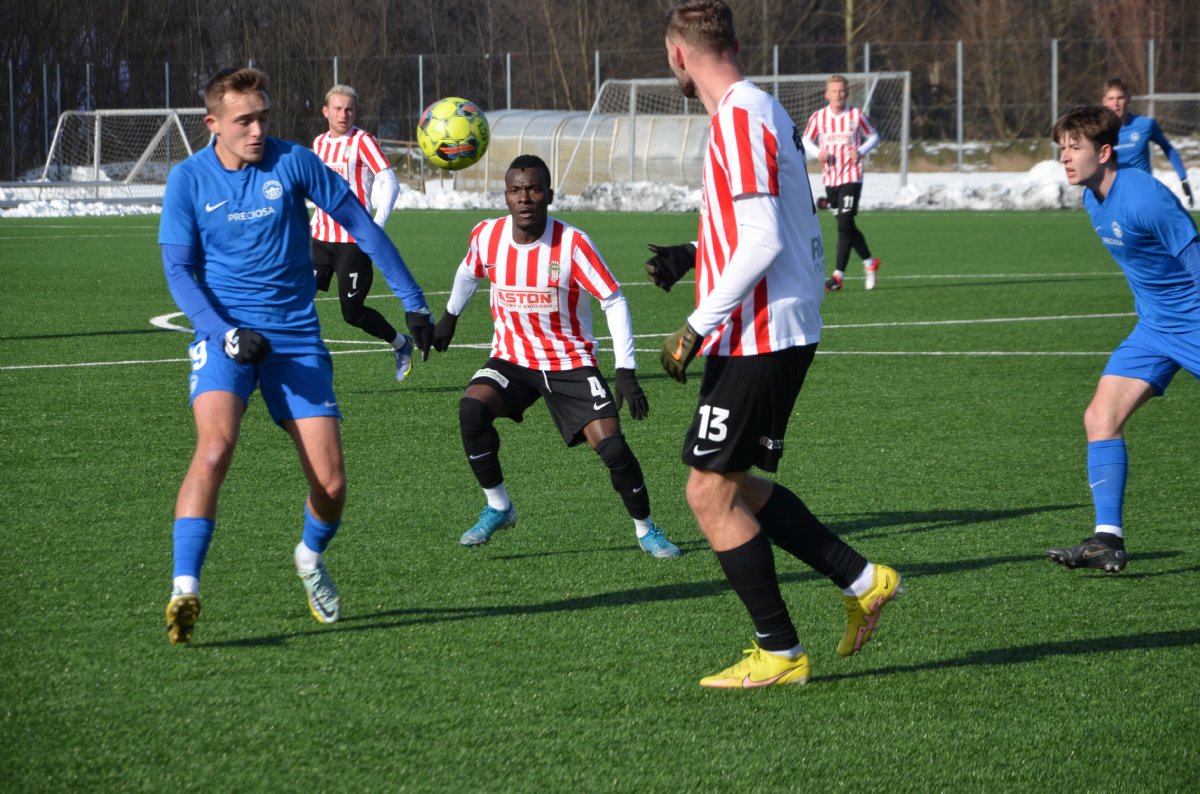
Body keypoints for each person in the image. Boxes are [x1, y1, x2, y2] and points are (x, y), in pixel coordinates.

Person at [659, 0, 900, 689]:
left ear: (679, 56)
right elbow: (776, 224)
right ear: (734, 42)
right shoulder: (760, 110)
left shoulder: (739, 117)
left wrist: (695, 326)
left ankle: (780, 651)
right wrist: (693, 253)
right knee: (731, 484)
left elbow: (763, 240)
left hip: (760, 332)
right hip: (769, 327)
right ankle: (861, 579)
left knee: (707, 492)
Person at [158, 67, 435, 645]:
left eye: (263, 117)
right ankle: (184, 589)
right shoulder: (188, 181)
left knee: (331, 486)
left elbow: (361, 223)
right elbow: (178, 271)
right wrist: (222, 331)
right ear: (213, 124)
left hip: (296, 339)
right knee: (214, 449)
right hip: (224, 338)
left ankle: (309, 559)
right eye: (244, 121)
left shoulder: (294, 162)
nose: (257, 130)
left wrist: (413, 302)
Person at [430, 153, 681, 559]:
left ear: (548, 195)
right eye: (515, 190)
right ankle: (498, 507)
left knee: (613, 449)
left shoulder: (573, 244)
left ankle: (646, 529)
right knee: (471, 410)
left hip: (569, 362)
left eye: (533, 189)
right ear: (506, 197)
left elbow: (613, 300)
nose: (524, 198)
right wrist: (449, 317)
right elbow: (467, 272)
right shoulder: (487, 236)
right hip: (512, 359)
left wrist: (625, 371)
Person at [1046, 105, 1200, 573]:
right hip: (1154, 329)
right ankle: (1106, 540)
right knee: (1100, 416)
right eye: (1061, 149)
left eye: (1076, 148)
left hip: (1193, 323)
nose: (1065, 158)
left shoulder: (1145, 198)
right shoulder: (1092, 197)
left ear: (1106, 151)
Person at [310, 84, 417, 380]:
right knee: (296, 295)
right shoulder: (318, 143)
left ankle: (400, 343)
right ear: (325, 111)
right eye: (338, 108)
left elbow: (389, 181)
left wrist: (375, 227)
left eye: (349, 109)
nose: (344, 114)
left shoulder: (363, 141)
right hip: (319, 238)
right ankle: (275, 362)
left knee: (352, 313)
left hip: (352, 243)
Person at [802, 74, 882, 291]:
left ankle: (838, 276)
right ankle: (869, 262)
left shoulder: (856, 116)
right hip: (830, 178)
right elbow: (805, 140)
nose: (838, 94)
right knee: (846, 225)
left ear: (847, 93)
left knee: (845, 224)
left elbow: (874, 136)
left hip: (852, 176)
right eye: (834, 91)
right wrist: (819, 152)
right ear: (827, 94)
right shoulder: (818, 117)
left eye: (842, 91)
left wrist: (862, 150)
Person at [1102, 78, 1194, 208]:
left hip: (1144, 194)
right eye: (1111, 99)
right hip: (1115, 194)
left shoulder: (1145, 125)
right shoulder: (1100, 131)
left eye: (1120, 98)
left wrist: (1183, 177)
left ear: (1129, 99)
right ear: (1104, 101)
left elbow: (1167, 148)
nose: (1116, 104)